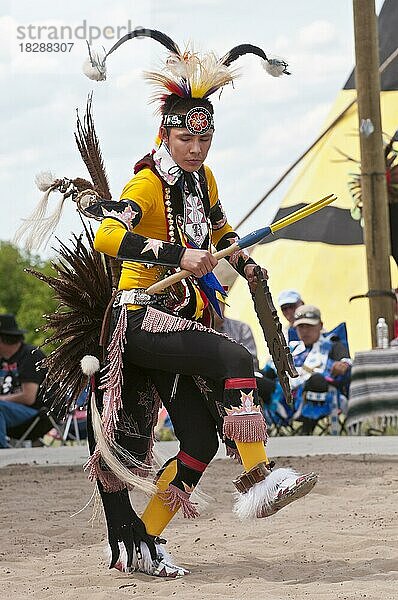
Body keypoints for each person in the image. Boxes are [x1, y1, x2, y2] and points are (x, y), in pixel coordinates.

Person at [25, 29, 317, 579]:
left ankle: (146, 542)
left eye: (205, 140)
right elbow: (111, 236)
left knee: (201, 438)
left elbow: (223, 229)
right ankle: (260, 478)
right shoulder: (145, 182)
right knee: (236, 359)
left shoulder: (202, 179)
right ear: (167, 133)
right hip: (139, 318)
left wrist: (245, 263)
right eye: (187, 139)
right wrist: (173, 254)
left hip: (180, 321)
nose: (197, 148)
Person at [289, 305, 351, 434]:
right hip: (287, 396)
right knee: (256, 380)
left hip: (321, 394)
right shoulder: (291, 349)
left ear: (320, 325)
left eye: (309, 326)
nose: (305, 331)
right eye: (301, 327)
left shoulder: (333, 344)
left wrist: (341, 366)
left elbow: (346, 362)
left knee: (316, 379)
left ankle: (306, 430)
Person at [0, 314, 46, 448]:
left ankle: (2, 455)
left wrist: (1, 399)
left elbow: (28, 397)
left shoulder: (30, 355)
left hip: (37, 415)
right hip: (9, 413)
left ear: (2, 339)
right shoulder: (2, 359)